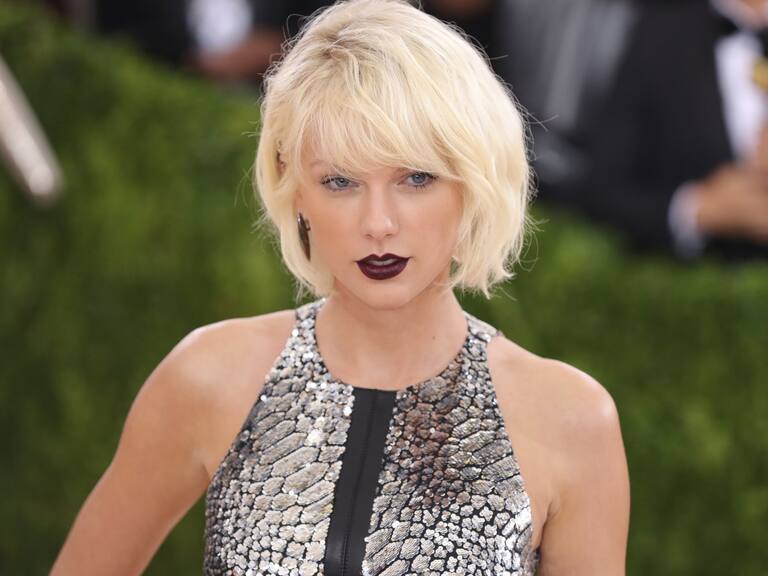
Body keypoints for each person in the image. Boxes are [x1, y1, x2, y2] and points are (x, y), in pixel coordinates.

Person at [50, 1, 630, 574]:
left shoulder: (570, 421)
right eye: (340, 182)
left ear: (472, 184)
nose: (378, 223)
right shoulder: (209, 376)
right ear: (295, 189)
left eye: (416, 177)